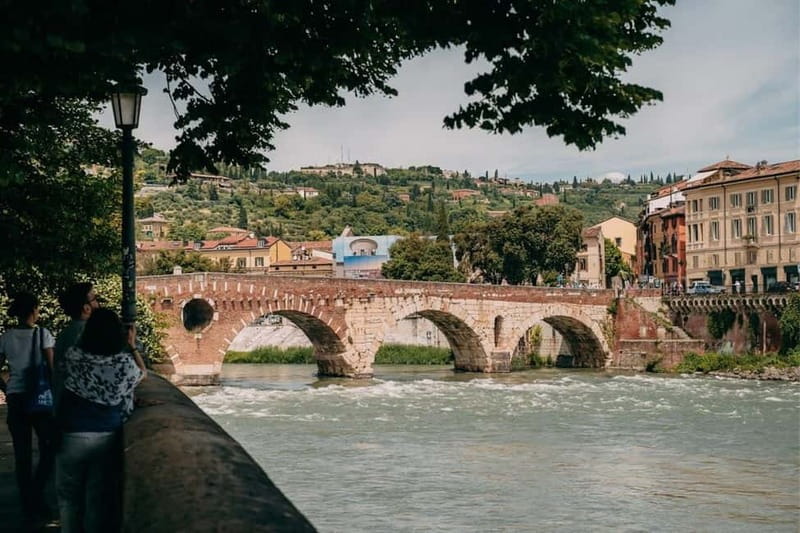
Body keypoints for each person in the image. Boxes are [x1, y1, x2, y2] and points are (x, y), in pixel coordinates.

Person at [56, 308, 146, 533]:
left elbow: (62, 372)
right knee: (95, 500)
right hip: (106, 435)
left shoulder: (74, 356)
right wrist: (132, 344)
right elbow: (142, 373)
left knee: (68, 499)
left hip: (72, 434)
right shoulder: (123, 363)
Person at [0, 291, 57, 526]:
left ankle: (28, 504)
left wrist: (7, 388)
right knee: (49, 449)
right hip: (39, 400)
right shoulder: (43, 335)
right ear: (34, 310)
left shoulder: (5, 337)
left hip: (16, 398)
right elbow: (52, 370)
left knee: (22, 455)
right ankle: (38, 494)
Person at [53, 282, 100, 413]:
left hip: (65, 408)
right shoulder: (89, 333)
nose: (98, 303)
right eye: (95, 299)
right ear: (86, 308)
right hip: (83, 411)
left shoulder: (65, 333)